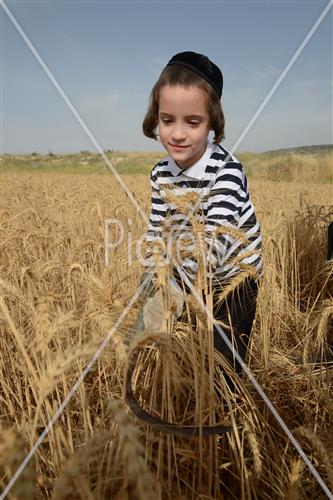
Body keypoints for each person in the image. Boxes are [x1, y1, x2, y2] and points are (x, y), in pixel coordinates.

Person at [134, 51, 264, 380]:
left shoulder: (226, 171)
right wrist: (154, 278)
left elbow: (215, 242)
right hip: (189, 267)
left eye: (192, 122)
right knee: (184, 343)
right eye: (167, 120)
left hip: (235, 275)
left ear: (212, 123)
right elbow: (157, 228)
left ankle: (226, 413)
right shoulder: (160, 173)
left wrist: (173, 292)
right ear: (155, 118)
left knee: (224, 358)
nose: (178, 134)